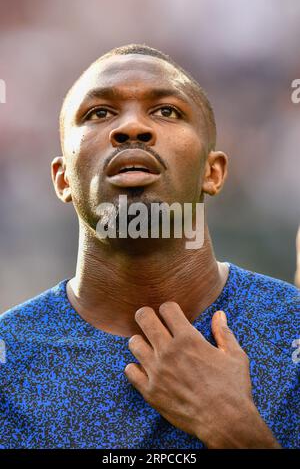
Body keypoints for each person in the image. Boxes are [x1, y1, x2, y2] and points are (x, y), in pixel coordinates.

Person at [0, 44, 299, 449]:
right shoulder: (8, 358)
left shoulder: (292, 332)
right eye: (99, 113)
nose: (132, 129)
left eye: (167, 111)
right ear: (63, 179)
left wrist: (237, 431)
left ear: (212, 172)